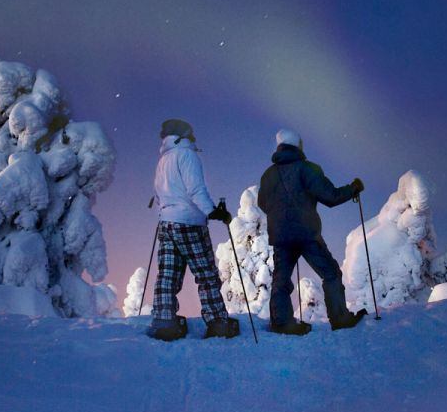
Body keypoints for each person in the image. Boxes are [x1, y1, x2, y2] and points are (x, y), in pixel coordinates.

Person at [257, 129, 367, 335]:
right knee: (331, 273)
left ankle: (282, 322)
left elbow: (262, 203)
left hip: (281, 236)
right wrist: (353, 189)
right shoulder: (308, 169)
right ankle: (340, 319)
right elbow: (330, 196)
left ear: (279, 146)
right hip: (307, 233)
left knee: (280, 280)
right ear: (298, 146)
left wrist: (280, 216)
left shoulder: (268, 174)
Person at [147, 118, 240, 341]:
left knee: (168, 274)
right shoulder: (187, 155)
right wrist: (214, 212)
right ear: (183, 135)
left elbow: (158, 196)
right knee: (206, 274)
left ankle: (164, 321)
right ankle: (218, 322)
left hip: (167, 223)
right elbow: (195, 189)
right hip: (190, 222)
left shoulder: (163, 160)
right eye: (190, 132)